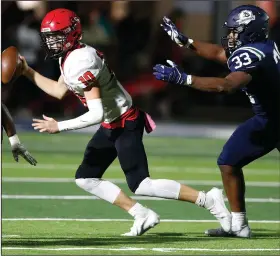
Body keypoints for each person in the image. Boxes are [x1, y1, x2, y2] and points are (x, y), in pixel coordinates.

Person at [20, 8, 231, 237]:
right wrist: (26, 71)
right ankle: (142, 214)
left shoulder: (81, 60)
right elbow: (58, 90)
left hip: (124, 121)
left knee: (142, 184)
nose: (51, 43)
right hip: (113, 122)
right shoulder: (71, 55)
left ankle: (209, 199)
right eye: (48, 38)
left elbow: (96, 113)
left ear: (71, 34)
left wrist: (59, 126)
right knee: (86, 178)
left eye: (56, 37)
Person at [153, 5, 280, 238]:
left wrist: (184, 79)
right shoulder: (263, 46)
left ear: (249, 32)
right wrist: (185, 41)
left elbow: (226, 85)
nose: (230, 36)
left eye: (235, 31)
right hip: (268, 119)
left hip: (274, 119)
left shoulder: (250, 54)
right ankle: (239, 225)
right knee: (228, 161)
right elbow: (218, 54)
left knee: (229, 161)